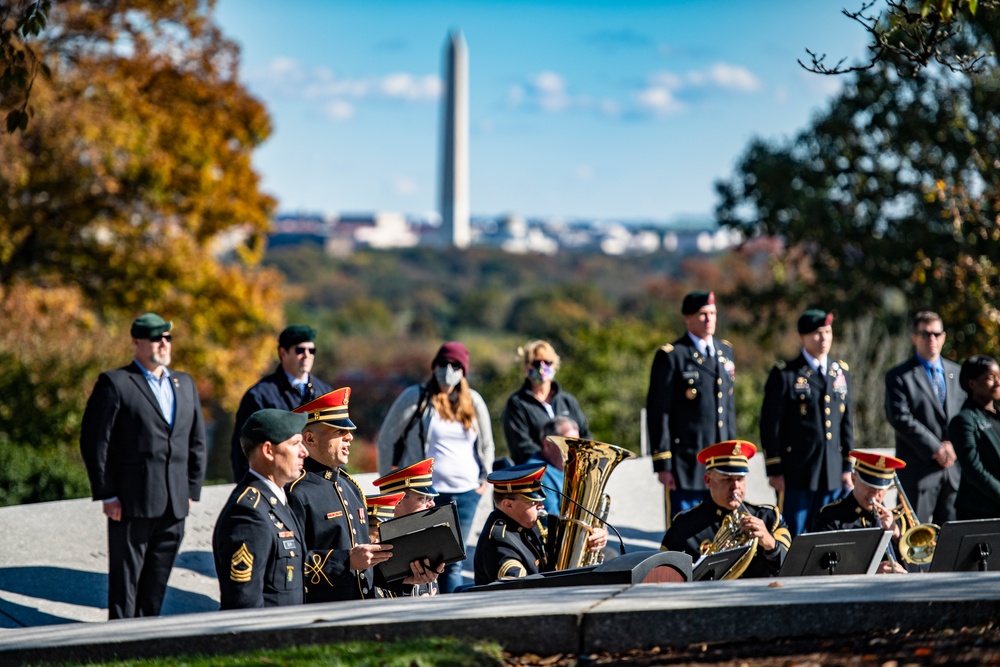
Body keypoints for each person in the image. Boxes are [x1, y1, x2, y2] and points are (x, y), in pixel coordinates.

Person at [80, 313, 207, 620]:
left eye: (167, 337)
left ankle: (147, 637)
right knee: (126, 582)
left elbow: (197, 441)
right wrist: (107, 494)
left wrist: (191, 489)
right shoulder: (116, 383)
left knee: (157, 580)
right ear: (136, 342)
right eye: (155, 338)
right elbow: (96, 443)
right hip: (131, 501)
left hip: (175, 502)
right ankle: (120, 639)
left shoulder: (184, 383)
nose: (163, 343)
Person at [375, 342, 494, 593]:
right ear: (433, 367)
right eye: (442, 364)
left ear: (463, 370)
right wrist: (390, 485)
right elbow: (387, 438)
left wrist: (484, 482)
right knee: (421, 559)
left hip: (466, 493)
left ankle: (448, 617)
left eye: (454, 365)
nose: (447, 370)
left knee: (451, 560)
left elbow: (486, 444)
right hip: (425, 495)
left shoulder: (474, 401)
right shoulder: (416, 397)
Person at [760, 308, 855, 538]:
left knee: (828, 535)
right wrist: (774, 469)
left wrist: (846, 466)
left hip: (831, 471)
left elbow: (846, 423)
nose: (824, 338)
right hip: (797, 472)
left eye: (827, 332)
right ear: (802, 337)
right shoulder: (786, 374)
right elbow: (770, 425)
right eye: (817, 333)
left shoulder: (839, 372)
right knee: (792, 534)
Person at [646, 290, 737, 524]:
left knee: (720, 532)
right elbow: (659, 413)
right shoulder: (673, 355)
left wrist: (733, 455)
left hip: (720, 462)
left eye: (713, 313)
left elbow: (727, 410)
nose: (709, 319)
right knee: (684, 532)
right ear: (687, 317)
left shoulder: (725, 351)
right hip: (686, 462)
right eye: (702, 314)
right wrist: (664, 463)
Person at [287, 387, 385, 603]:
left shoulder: (351, 487)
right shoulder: (296, 492)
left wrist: (406, 576)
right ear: (310, 439)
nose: (349, 437)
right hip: (325, 612)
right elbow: (288, 564)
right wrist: (345, 560)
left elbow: (367, 564)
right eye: (339, 432)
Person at [213, 409, 312, 609]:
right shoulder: (248, 513)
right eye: (294, 444)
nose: (305, 452)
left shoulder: (276, 500)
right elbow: (244, 603)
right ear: (268, 451)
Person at [660, 441, 791, 579]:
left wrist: (769, 543)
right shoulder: (685, 526)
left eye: (740, 479)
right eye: (727, 479)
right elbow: (662, 575)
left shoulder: (769, 518)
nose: (735, 487)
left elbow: (792, 569)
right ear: (708, 480)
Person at [885, 311, 964, 526]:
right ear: (914, 337)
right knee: (913, 540)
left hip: (952, 473)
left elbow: (964, 416)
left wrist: (954, 445)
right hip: (918, 472)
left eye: (936, 334)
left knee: (952, 545)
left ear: (944, 337)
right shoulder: (899, 376)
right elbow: (900, 418)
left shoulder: (956, 373)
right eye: (925, 334)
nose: (932, 339)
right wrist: (936, 448)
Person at [473, 462, 608, 585]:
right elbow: (521, 589)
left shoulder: (526, 520)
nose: (541, 506)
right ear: (508, 504)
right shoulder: (500, 543)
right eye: (533, 502)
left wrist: (591, 537)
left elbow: (561, 542)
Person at [230, 324, 333, 482]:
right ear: (283, 353)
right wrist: (251, 488)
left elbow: (335, 441)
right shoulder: (259, 395)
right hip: (279, 485)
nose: (307, 355)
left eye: (311, 350)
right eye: (300, 350)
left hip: (318, 486)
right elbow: (244, 450)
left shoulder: (325, 392)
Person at [811, 451, 909, 574]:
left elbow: (917, 570)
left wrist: (896, 537)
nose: (874, 494)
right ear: (853, 478)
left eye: (880, 489)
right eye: (869, 486)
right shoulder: (829, 516)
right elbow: (823, 570)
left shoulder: (898, 521)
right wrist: (870, 572)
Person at [502, 340, 592, 465]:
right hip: (537, 475)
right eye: (537, 362)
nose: (542, 367)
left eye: (547, 362)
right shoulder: (517, 403)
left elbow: (586, 435)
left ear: (554, 365)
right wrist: (554, 463)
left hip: (574, 472)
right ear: (526, 366)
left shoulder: (567, 401)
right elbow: (521, 447)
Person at [948, 355, 1000, 520]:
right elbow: (974, 471)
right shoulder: (963, 420)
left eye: (999, 377)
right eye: (991, 378)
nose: (998, 382)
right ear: (972, 383)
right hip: (980, 512)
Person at [525, 416, 580, 520]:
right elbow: (551, 521)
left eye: (578, 444)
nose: (576, 450)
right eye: (570, 444)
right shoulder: (539, 472)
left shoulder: (566, 468)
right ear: (548, 444)